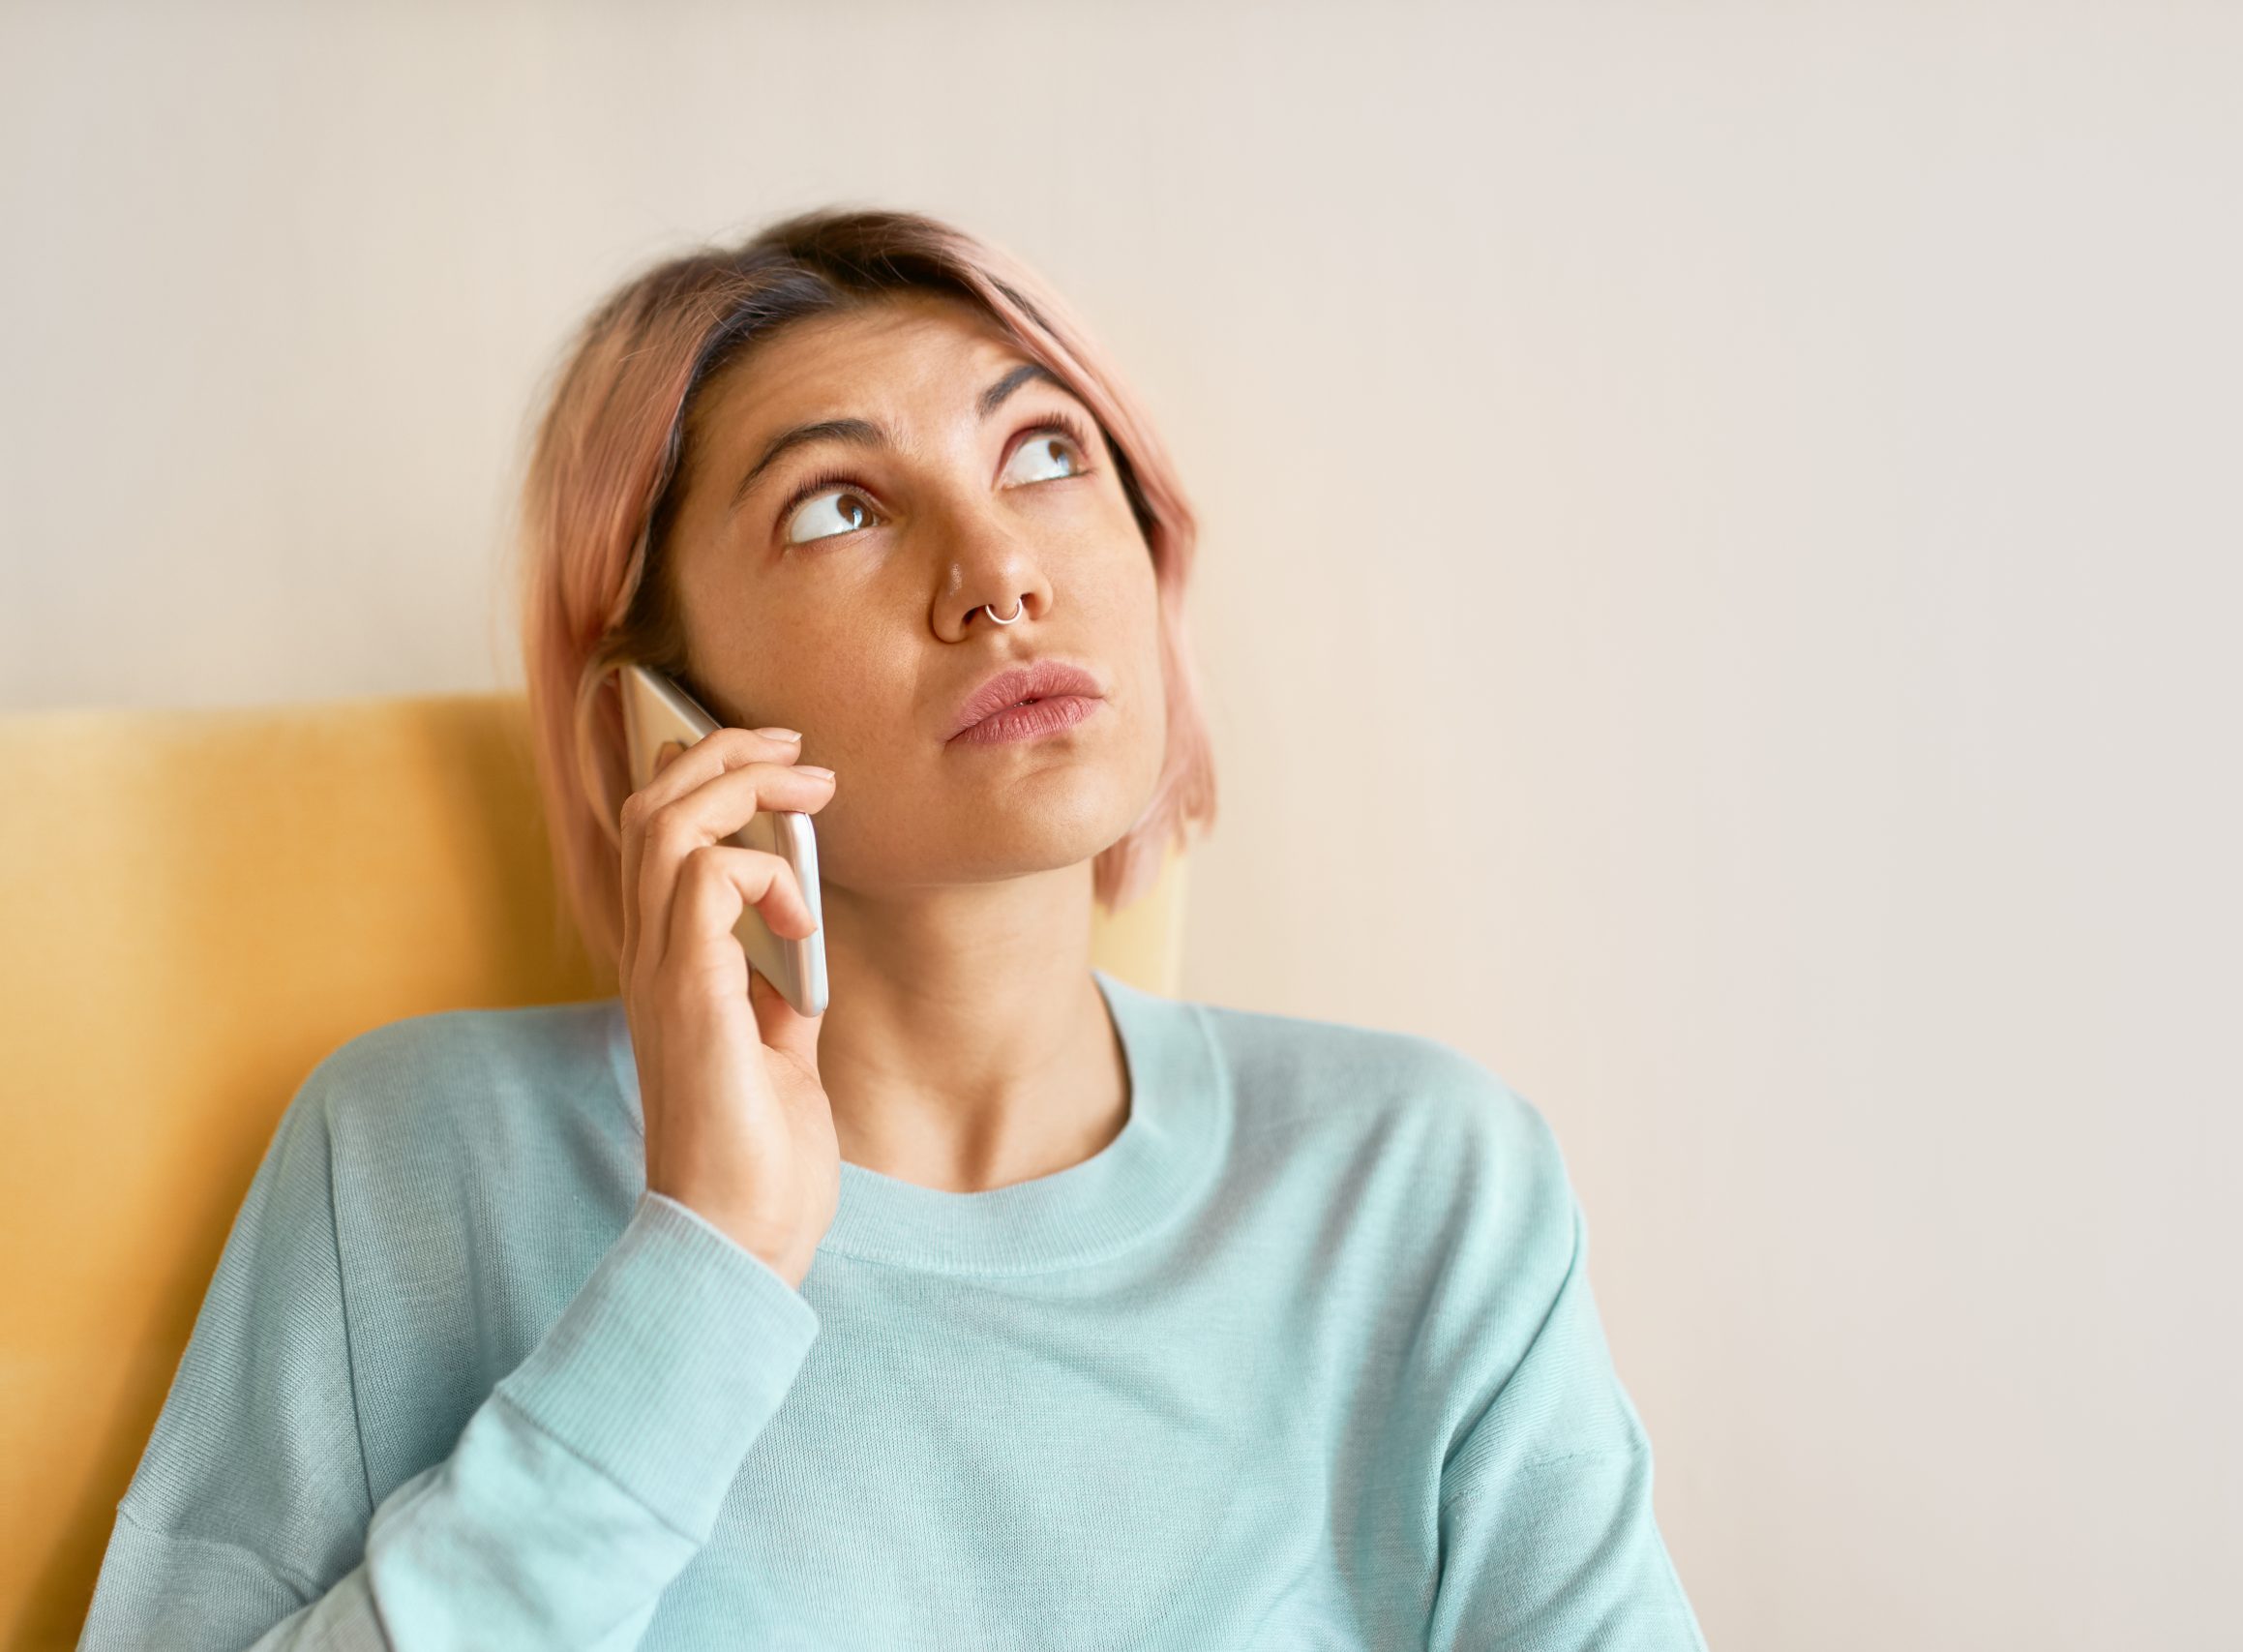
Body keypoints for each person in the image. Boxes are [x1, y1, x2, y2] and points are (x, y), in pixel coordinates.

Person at [75, 206, 1708, 1649]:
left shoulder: (1423, 1182)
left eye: (1050, 455)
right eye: (838, 508)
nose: (998, 572)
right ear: (655, 712)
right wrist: (703, 1268)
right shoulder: (416, 1157)